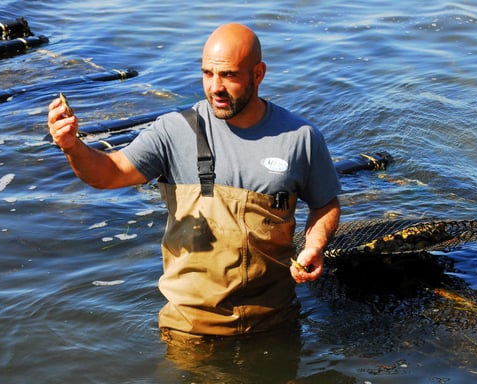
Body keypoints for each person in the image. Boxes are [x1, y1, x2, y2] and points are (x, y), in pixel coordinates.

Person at [48, 23, 341, 340]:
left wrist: (314, 246)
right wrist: (73, 147)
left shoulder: (300, 138)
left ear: (258, 74)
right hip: (189, 330)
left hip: (273, 323)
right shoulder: (175, 131)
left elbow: (324, 203)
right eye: (208, 74)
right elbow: (108, 173)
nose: (216, 87)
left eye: (228, 75)